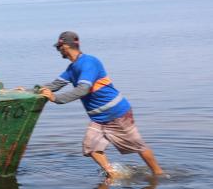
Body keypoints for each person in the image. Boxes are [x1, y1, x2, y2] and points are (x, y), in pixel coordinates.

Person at [33, 31, 164, 177]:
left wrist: (56, 99)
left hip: (116, 113)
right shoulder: (72, 68)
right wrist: (30, 91)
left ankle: (158, 174)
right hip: (99, 118)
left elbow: (84, 89)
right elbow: (54, 85)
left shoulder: (89, 62)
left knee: (137, 146)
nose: (58, 51)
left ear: (65, 46)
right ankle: (113, 175)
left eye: (59, 47)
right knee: (91, 148)